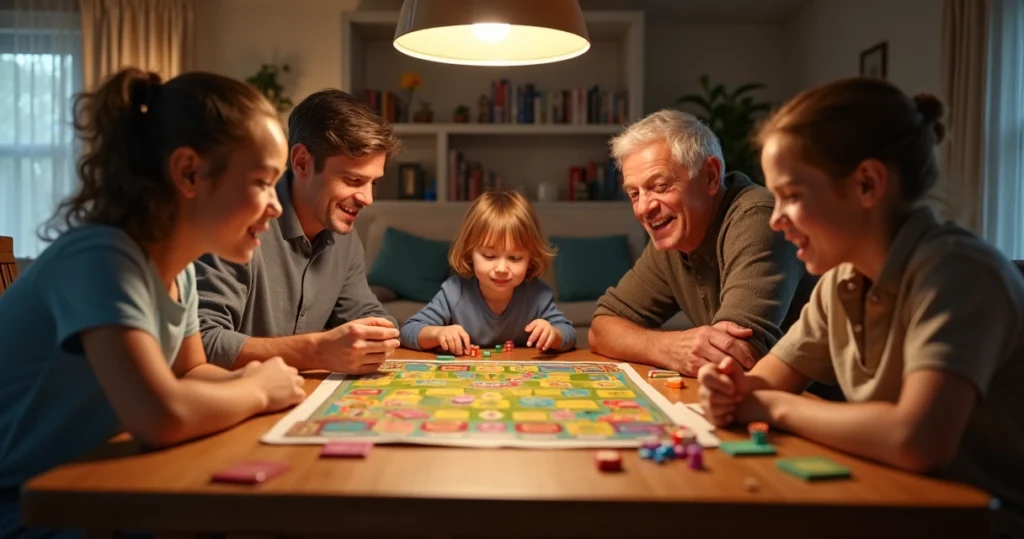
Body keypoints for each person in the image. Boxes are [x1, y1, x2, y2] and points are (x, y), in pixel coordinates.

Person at [697, 78, 1024, 539]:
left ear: (867, 184)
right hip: (894, 503)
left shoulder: (958, 272)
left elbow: (917, 440)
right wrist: (727, 389)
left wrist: (773, 407)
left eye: (791, 196)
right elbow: (760, 384)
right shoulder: (840, 282)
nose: (775, 219)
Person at [0, 67, 306, 538]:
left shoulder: (177, 268)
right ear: (189, 172)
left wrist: (247, 377)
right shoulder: (101, 256)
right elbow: (158, 415)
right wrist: (259, 390)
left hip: (94, 484)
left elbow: (190, 371)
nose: (277, 205)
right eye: (263, 182)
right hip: (27, 506)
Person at [589, 109, 815, 377]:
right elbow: (601, 329)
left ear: (709, 175)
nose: (643, 209)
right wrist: (669, 346)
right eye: (634, 194)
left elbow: (731, 356)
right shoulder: (676, 237)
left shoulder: (758, 217)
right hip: (755, 403)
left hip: (822, 409)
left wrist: (669, 347)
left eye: (660, 186)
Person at [195, 89, 403, 375]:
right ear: (302, 162)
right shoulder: (239, 223)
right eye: (354, 180)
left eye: (373, 183)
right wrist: (317, 351)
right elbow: (202, 343)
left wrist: (384, 333)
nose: (367, 198)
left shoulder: (344, 236)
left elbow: (365, 313)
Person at [400, 191, 576, 354]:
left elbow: (569, 335)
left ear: (531, 258)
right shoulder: (454, 291)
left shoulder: (538, 294)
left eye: (514, 258)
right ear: (470, 253)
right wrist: (438, 333)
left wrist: (553, 333)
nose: (501, 269)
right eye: (489, 256)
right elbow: (408, 331)